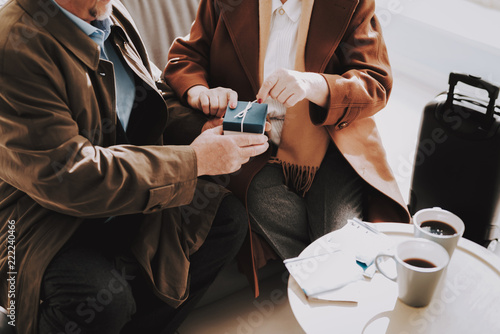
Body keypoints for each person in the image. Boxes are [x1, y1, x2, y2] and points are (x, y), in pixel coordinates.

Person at [0, 0, 270, 333]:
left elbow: (150, 94)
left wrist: (200, 128)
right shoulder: (14, 45)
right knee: (101, 299)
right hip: (36, 222)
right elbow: (69, 176)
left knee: (223, 219)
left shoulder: (108, 11)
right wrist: (195, 160)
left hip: (122, 191)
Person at [164, 0, 411, 282]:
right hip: (252, 141)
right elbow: (185, 57)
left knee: (333, 233)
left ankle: (331, 278)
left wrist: (315, 84)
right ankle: (336, 278)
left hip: (331, 141)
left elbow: (375, 83)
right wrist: (200, 91)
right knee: (263, 204)